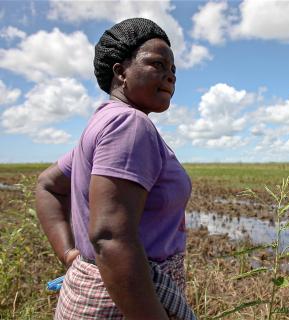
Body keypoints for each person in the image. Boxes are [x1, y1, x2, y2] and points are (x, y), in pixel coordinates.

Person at [35, 18, 195, 320]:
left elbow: (47, 183)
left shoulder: (105, 123)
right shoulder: (129, 125)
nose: (170, 76)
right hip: (126, 299)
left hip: (96, 291)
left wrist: (72, 256)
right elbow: (111, 238)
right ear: (120, 71)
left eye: (173, 70)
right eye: (157, 64)